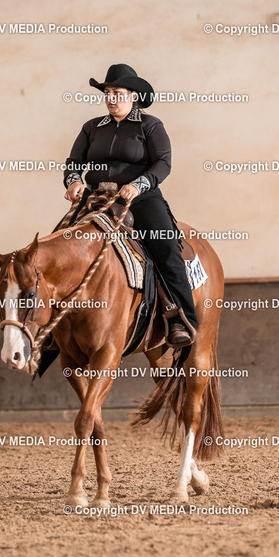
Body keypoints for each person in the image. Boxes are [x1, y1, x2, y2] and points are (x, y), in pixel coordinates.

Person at [63, 63, 197, 346]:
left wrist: (138, 184)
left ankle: (180, 317)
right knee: (59, 245)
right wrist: (73, 181)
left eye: (118, 93)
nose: (111, 99)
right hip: (96, 198)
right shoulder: (91, 127)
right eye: (107, 93)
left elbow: (163, 163)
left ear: (133, 95)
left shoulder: (150, 125)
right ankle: (51, 328)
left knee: (166, 246)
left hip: (140, 199)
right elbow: (74, 161)